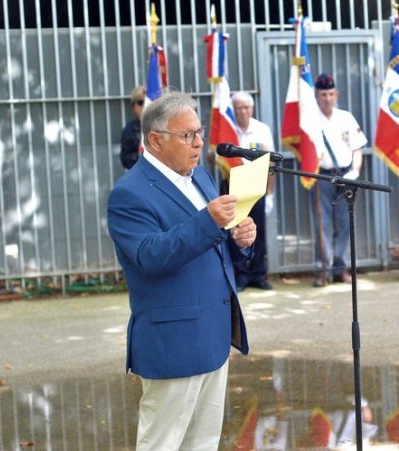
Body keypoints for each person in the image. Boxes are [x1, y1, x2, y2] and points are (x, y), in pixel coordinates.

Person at [107, 91, 256, 450]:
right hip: (173, 342)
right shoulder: (129, 193)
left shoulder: (200, 176)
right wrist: (208, 222)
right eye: (187, 135)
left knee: (202, 442)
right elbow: (150, 256)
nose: (199, 142)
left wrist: (240, 240)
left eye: (199, 131)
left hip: (213, 334)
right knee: (161, 443)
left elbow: (214, 248)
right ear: (156, 140)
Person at [311, 73, 367, 288]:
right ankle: (322, 270)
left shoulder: (346, 117)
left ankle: (340, 268)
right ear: (317, 95)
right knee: (322, 224)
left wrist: (355, 171)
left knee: (345, 223)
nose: (327, 98)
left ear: (337, 95)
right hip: (321, 176)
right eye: (323, 94)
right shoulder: (310, 119)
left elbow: (357, 148)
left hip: (345, 176)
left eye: (330, 94)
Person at [232, 91, 275, 291]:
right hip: (233, 187)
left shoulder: (261, 129)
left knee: (258, 232)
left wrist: (270, 194)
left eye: (246, 107)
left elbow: (271, 163)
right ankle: (241, 276)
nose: (242, 111)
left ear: (252, 108)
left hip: (257, 186)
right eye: (239, 107)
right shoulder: (228, 128)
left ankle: (258, 275)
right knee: (236, 232)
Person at [120, 85, 146, 170]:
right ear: (133, 107)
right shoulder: (130, 129)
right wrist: (139, 154)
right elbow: (125, 160)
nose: (145, 106)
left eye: (148, 102)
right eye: (140, 102)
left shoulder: (163, 126)